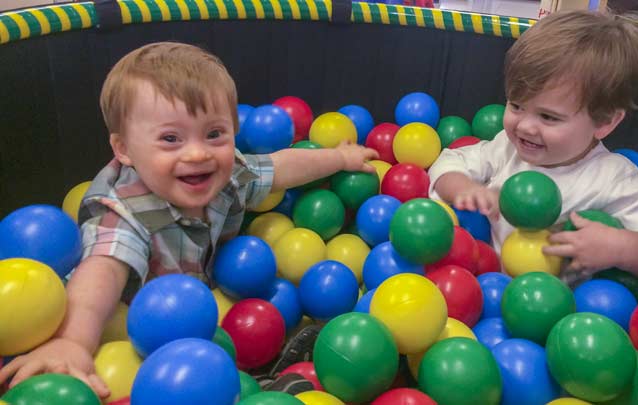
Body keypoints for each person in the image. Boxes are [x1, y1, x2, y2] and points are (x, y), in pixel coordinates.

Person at [0, 42, 378, 398]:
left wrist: (340, 160)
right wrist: (74, 342)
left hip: (211, 303)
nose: (197, 153)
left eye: (214, 133)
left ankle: (265, 370)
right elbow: (102, 272)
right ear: (124, 149)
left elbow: (279, 167)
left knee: (252, 326)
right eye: (170, 139)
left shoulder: (227, 175)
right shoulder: (123, 210)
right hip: (137, 331)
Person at [428, 11, 638, 285]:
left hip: (562, 316)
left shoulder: (612, 178)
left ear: (605, 122)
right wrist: (464, 189)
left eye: (548, 117)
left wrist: (623, 248)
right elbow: (448, 162)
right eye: (516, 105)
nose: (525, 126)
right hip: (483, 286)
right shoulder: (506, 146)